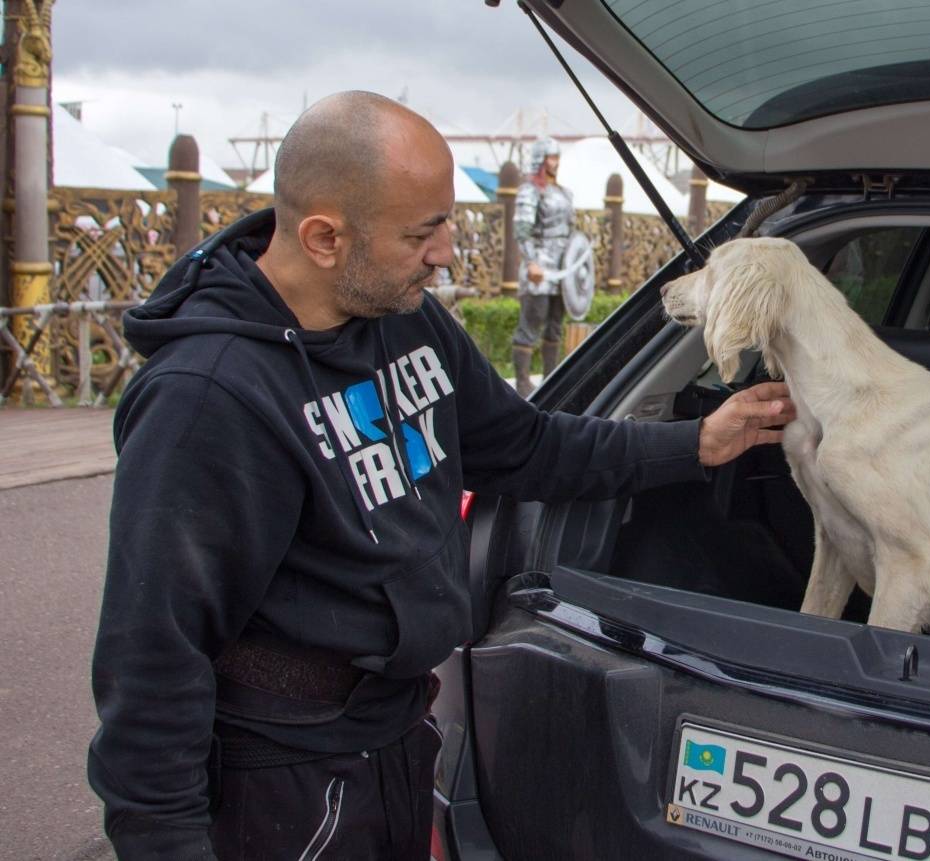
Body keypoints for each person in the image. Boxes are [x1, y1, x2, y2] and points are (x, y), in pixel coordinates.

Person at [87, 91, 794, 859]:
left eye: (448, 221)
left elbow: (527, 447)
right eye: (424, 231)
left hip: (396, 738)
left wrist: (695, 443)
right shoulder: (208, 399)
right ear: (325, 237)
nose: (449, 251)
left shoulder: (405, 318)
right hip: (285, 778)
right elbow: (152, 662)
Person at [511, 136, 573, 397]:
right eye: (551, 157)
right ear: (540, 159)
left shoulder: (562, 192)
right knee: (531, 324)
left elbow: (570, 232)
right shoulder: (529, 191)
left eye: (557, 157)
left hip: (562, 270)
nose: (555, 163)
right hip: (539, 269)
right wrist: (532, 262)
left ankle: (551, 378)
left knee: (555, 325)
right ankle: (523, 383)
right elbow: (522, 231)